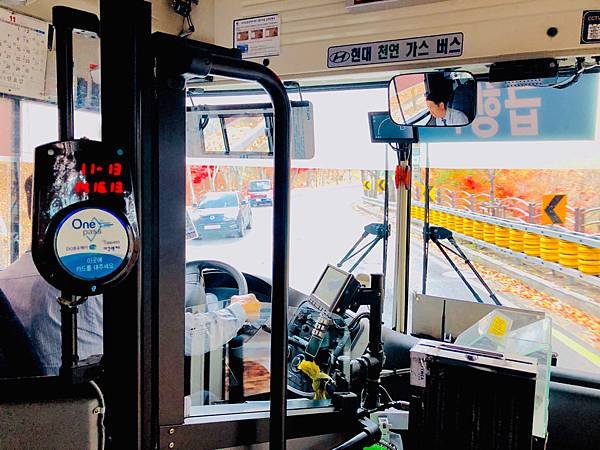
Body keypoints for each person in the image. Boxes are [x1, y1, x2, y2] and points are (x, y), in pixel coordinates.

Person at [1, 175, 260, 375]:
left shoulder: (7, 281)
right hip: (102, 404)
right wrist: (239, 312)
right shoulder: (98, 282)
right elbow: (182, 336)